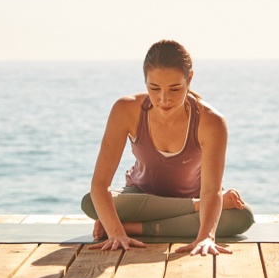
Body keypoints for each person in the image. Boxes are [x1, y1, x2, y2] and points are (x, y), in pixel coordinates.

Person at [81, 40, 255, 256]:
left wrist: (205, 237)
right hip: (141, 194)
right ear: (145, 81)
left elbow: (211, 190)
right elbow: (99, 184)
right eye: (154, 88)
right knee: (91, 202)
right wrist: (115, 233)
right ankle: (192, 208)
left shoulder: (211, 122)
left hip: (193, 195)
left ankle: (134, 227)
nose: (164, 99)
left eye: (175, 88)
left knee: (242, 216)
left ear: (189, 79)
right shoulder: (125, 110)